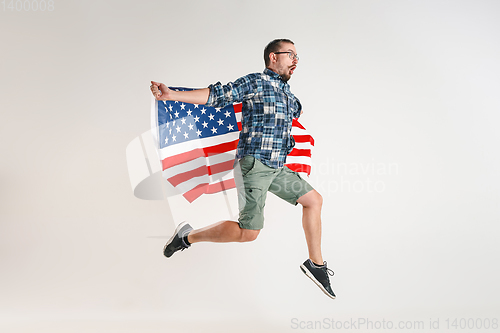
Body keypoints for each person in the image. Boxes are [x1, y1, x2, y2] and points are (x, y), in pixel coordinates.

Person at [150, 39, 335, 299]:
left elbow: (293, 112)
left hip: (276, 168)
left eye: (297, 56)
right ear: (273, 57)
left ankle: (316, 266)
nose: (295, 60)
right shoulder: (256, 83)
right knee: (248, 233)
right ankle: (187, 237)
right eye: (290, 54)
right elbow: (217, 95)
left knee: (313, 200)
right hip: (255, 165)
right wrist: (171, 95)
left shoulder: (288, 95)